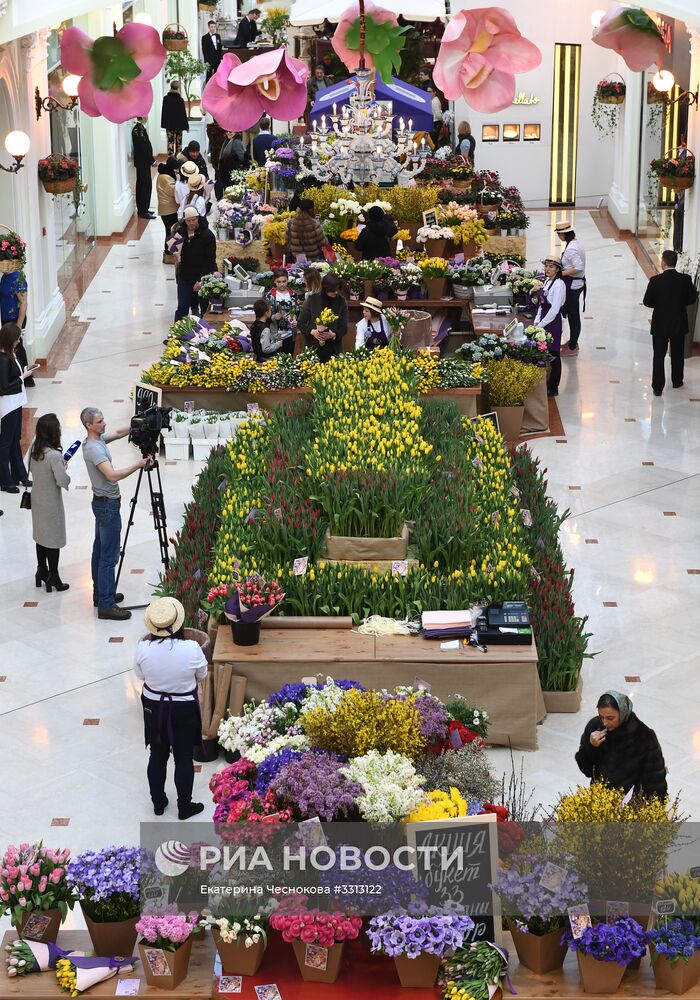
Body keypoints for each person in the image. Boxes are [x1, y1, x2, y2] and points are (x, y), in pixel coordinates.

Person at [134, 597, 208, 819]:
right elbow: (202, 675)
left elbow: (140, 676)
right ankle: (184, 806)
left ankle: (158, 803)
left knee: (157, 755)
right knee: (184, 758)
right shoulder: (192, 648)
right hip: (183, 708)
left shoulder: (143, 648)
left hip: (153, 707)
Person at [80, 406, 151, 620]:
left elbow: (120, 433)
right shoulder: (94, 449)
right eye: (100, 421)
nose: (104, 423)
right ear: (89, 425)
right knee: (108, 556)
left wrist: (142, 421)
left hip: (102, 503)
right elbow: (111, 476)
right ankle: (106, 605)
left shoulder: (97, 440)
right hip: (107, 506)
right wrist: (138, 464)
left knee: (100, 549)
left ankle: (101, 594)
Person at [575, 691, 668, 800]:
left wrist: (652, 808)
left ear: (623, 713)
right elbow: (587, 770)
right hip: (600, 801)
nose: (604, 723)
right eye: (601, 717)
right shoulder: (595, 727)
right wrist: (590, 746)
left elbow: (654, 780)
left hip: (631, 805)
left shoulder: (644, 737)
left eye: (610, 718)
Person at [643, 249, 697, 396]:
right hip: (679, 322)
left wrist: (659, 305)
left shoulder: (655, 281)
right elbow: (692, 298)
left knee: (659, 356)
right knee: (678, 353)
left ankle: (658, 387)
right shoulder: (685, 279)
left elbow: (647, 302)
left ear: (663, 263)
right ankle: (677, 380)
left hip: (660, 324)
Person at [30, 413, 70, 593]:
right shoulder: (54, 455)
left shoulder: (34, 449)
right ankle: (54, 576)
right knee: (53, 539)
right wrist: (63, 469)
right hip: (51, 503)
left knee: (41, 536)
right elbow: (62, 481)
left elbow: (30, 470)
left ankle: (41, 570)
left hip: (37, 498)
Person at [0, 323, 33, 493]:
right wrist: (22, 377)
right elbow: (3, 387)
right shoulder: (3, 359)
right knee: (6, 443)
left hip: (17, 402)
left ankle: (19, 475)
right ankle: (5, 481)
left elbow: (15, 374)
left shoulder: (11, 354)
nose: (19, 341)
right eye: (17, 338)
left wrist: (24, 371)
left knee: (15, 440)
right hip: (8, 405)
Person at [172, 208, 217, 321]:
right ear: (185, 221)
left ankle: (206, 333)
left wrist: (201, 280)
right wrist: (175, 253)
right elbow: (172, 248)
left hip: (202, 276)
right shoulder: (181, 232)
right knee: (182, 307)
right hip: (184, 275)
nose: (191, 223)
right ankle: (176, 335)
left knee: (205, 308)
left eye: (194, 220)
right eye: (188, 221)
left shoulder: (207, 235)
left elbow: (210, 260)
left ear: (198, 218)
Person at [534, 255, 566, 397]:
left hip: (553, 323)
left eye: (551, 266)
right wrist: (536, 321)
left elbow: (554, 310)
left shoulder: (559, 285)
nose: (547, 269)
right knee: (541, 351)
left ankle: (554, 387)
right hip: (543, 321)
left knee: (553, 354)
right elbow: (542, 304)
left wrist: (541, 324)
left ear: (557, 269)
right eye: (546, 266)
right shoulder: (547, 282)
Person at [298, 272, 348, 362]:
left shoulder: (341, 302)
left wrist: (333, 335)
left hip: (333, 349)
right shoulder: (312, 300)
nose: (336, 292)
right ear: (325, 288)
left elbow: (344, 327)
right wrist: (312, 331)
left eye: (337, 290)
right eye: (333, 290)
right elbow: (301, 323)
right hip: (312, 348)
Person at [555, 221, 587, 357]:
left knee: (574, 317)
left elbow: (578, 267)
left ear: (563, 234)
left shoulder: (571, 249)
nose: (558, 237)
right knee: (573, 315)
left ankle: (573, 347)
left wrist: (561, 273)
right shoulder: (575, 244)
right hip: (576, 284)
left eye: (559, 234)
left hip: (573, 286)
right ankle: (572, 342)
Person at [0, 270, 32, 386]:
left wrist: (18, 325)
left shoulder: (18, 278)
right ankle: (15, 377)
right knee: (10, 348)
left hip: (16, 319)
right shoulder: (4, 277)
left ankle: (27, 379)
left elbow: (24, 303)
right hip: (5, 319)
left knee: (17, 348)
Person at [265, 268, 298, 353]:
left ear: (287, 280)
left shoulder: (293, 295)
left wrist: (295, 319)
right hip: (276, 334)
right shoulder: (270, 296)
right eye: (279, 282)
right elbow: (265, 315)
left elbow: (297, 311)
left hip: (290, 334)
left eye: (284, 281)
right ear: (274, 282)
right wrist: (273, 317)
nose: (282, 284)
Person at [131, 117, 155, 219]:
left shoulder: (139, 128)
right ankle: (143, 210)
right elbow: (144, 147)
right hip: (143, 162)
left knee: (142, 184)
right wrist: (151, 160)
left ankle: (143, 208)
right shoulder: (138, 130)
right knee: (145, 185)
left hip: (142, 162)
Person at [156, 158, 180, 262]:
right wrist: (179, 181)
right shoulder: (165, 177)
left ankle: (169, 253)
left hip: (167, 208)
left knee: (170, 231)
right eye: (176, 169)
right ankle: (169, 254)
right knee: (171, 232)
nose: (177, 171)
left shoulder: (165, 174)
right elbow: (173, 191)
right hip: (168, 210)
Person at [160, 81, 188, 156]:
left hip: (169, 125)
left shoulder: (165, 99)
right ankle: (178, 162)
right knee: (179, 143)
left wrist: (164, 124)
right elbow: (183, 114)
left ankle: (170, 161)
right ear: (178, 88)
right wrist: (186, 126)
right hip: (179, 125)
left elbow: (164, 112)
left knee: (170, 142)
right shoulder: (180, 100)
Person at [216, 131, 245, 199]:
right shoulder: (227, 141)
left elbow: (241, 158)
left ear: (236, 132)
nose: (229, 132)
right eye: (227, 131)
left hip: (233, 175)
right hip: (227, 175)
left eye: (231, 131)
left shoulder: (236, 142)